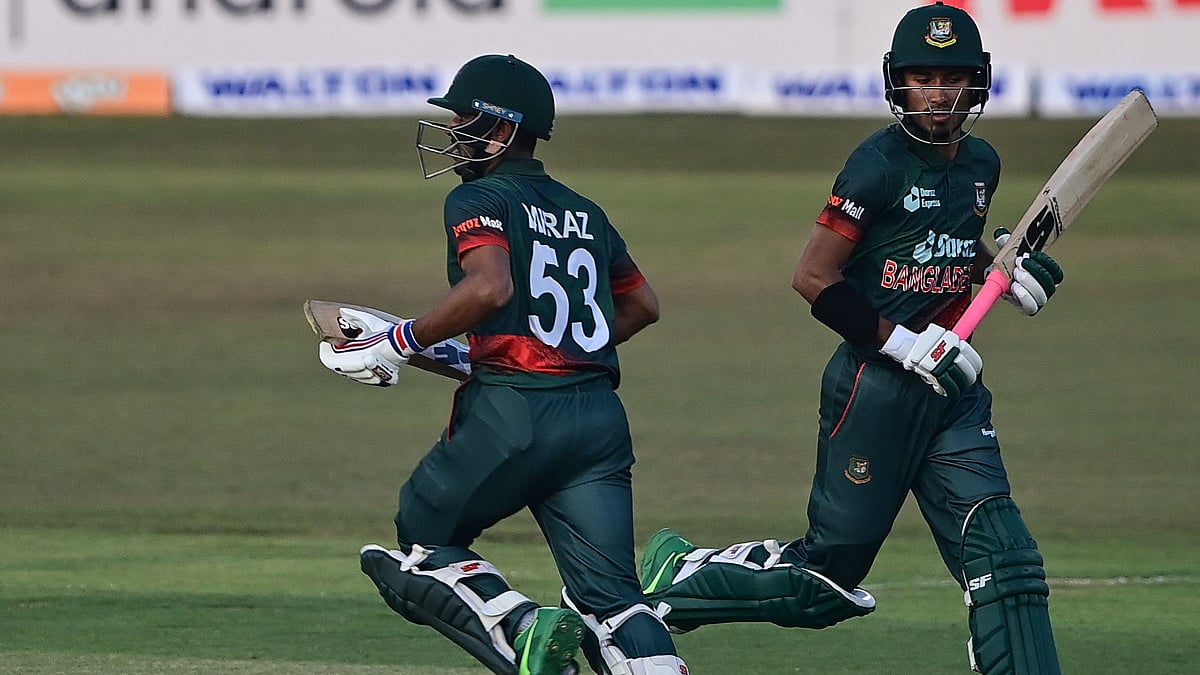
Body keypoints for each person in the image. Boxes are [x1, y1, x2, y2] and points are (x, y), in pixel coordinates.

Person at [637, 3, 1065, 673]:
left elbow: (951, 242)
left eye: (951, 78)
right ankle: (677, 576)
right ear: (898, 81)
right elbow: (813, 277)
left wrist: (1002, 267)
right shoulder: (877, 165)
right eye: (923, 78)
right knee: (823, 584)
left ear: (977, 83)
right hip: (876, 389)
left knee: (1006, 558)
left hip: (952, 392)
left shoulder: (983, 163)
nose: (938, 94)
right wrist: (907, 345)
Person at [317, 54, 688, 675]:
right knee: (614, 601)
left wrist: (399, 342)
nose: (454, 133)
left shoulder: (479, 196)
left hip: (514, 412)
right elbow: (641, 306)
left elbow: (489, 289)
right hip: (598, 418)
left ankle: (522, 630)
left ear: (505, 129)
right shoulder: (584, 210)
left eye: (466, 120)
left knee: (422, 541)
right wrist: (560, 350)